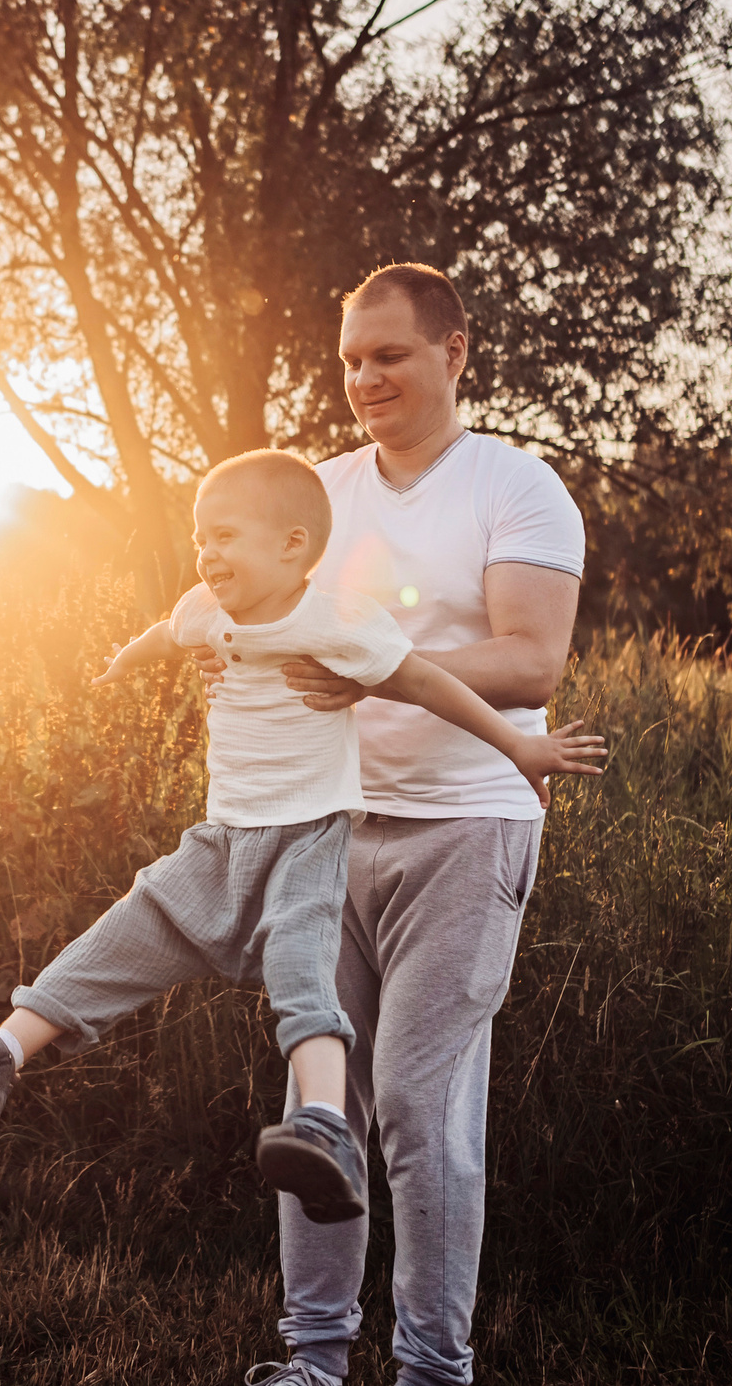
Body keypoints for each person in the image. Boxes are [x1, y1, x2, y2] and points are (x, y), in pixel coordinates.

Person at [0, 446, 603, 1224]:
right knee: (125, 929)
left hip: (307, 841)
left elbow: (425, 683)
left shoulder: (336, 621)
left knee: (305, 979)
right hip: (221, 838)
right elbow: (169, 631)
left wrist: (520, 746)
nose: (208, 551)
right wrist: (123, 660)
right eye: (202, 536)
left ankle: (328, 1128)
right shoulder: (208, 608)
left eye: (225, 536)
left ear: (291, 546)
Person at [250, 263, 595, 1386]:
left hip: (466, 826)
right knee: (323, 1097)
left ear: (453, 352)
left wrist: (372, 672)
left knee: (415, 1097)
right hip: (333, 826)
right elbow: (267, 619)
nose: (364, 378)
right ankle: (312, 1360)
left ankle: (433, 1367)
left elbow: (531, 657)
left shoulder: (518, 487)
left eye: (388, 355)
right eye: (350, 358)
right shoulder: (321, 491)